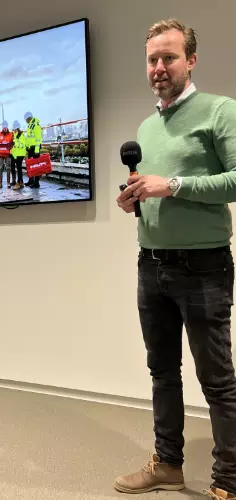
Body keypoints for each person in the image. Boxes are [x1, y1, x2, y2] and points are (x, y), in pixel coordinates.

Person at [115, 19, 236, 500]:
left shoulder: (220, 111)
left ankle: (229, 481)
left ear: (191, 60)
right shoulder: (147, 127)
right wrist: (135, 200)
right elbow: (158, 191)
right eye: (152, 60)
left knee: (217, 380)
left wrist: (173, 185)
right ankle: (167, 464)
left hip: (203, 267)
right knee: (162, 372)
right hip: (152, 264)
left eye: (169, 57)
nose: (159, 67)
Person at [24, 111, 43, 188]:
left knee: (36, 166)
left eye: (26, 120)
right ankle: (31, 180)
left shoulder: (36, 125)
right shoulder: (30, 126)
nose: (26, 121)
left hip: (35, 148)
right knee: (30, 165)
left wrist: (37, 150)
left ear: (28, 118)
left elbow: (38, 139)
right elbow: (29, 138)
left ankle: (36, 182)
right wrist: (27, 147)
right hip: (30, 148)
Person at [0, 121, 14, 189]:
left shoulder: (10, 134)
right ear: (2, 127)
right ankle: (0, 183)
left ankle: (8, 183)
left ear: (7, 127)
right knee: (0, 168)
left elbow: (12, 143)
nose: (4, 128)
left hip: (7, 154)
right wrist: (0, 143)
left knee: (8, 168)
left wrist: (9, 146)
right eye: (3, 127)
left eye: (5, 127)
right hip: (0, 154)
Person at [11, 120, 27, 190]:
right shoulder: (15, 135)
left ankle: (18, 183)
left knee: (19, 168)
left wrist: (15, 144)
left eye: (14, 129)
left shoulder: (21, 135)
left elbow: (22, 145)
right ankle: (21, 183)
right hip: (16, 154)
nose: (13, 130)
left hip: (20, 154)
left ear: (17, 128)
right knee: (18, 168)